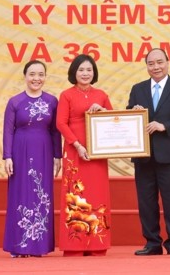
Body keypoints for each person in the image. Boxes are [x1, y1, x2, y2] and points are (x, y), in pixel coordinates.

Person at [126, 48, 170, 256]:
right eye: (151, 63)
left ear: (167, 62)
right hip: (143, 154)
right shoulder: (138, 89)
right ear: (146, 66)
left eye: (159, 62)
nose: (156, 67)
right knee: (146, 201)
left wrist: (164, 125)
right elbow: (129, 116)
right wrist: (133, 112)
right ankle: (152, 243)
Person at [2, 60, 62, 257]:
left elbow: (55, 131)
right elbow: (8, 131)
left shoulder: (52, 101)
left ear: (45, 77)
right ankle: (19, 246)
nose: (36, 78)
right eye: (32, 74)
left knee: (41, 194)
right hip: (20, 151)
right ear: (25, 76)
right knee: (20, 194)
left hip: (43, 151)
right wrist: (8, 156)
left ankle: (39, 246)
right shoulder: (15, 101)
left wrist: (57, 156)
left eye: (40, 74)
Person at [56, 54, 113, 257]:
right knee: (75, 197)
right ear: (74, 72)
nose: (85, 73)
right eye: (81, 70)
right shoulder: (66, 95)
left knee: (98, 195)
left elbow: (113, 121)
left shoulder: (101, 94)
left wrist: (103, 110)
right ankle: (75, 244)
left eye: (89, 70)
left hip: (97, 153)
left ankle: (97, 244)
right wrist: (78, 145)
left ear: (94, 72)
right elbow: (61, 123)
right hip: (75, 151)